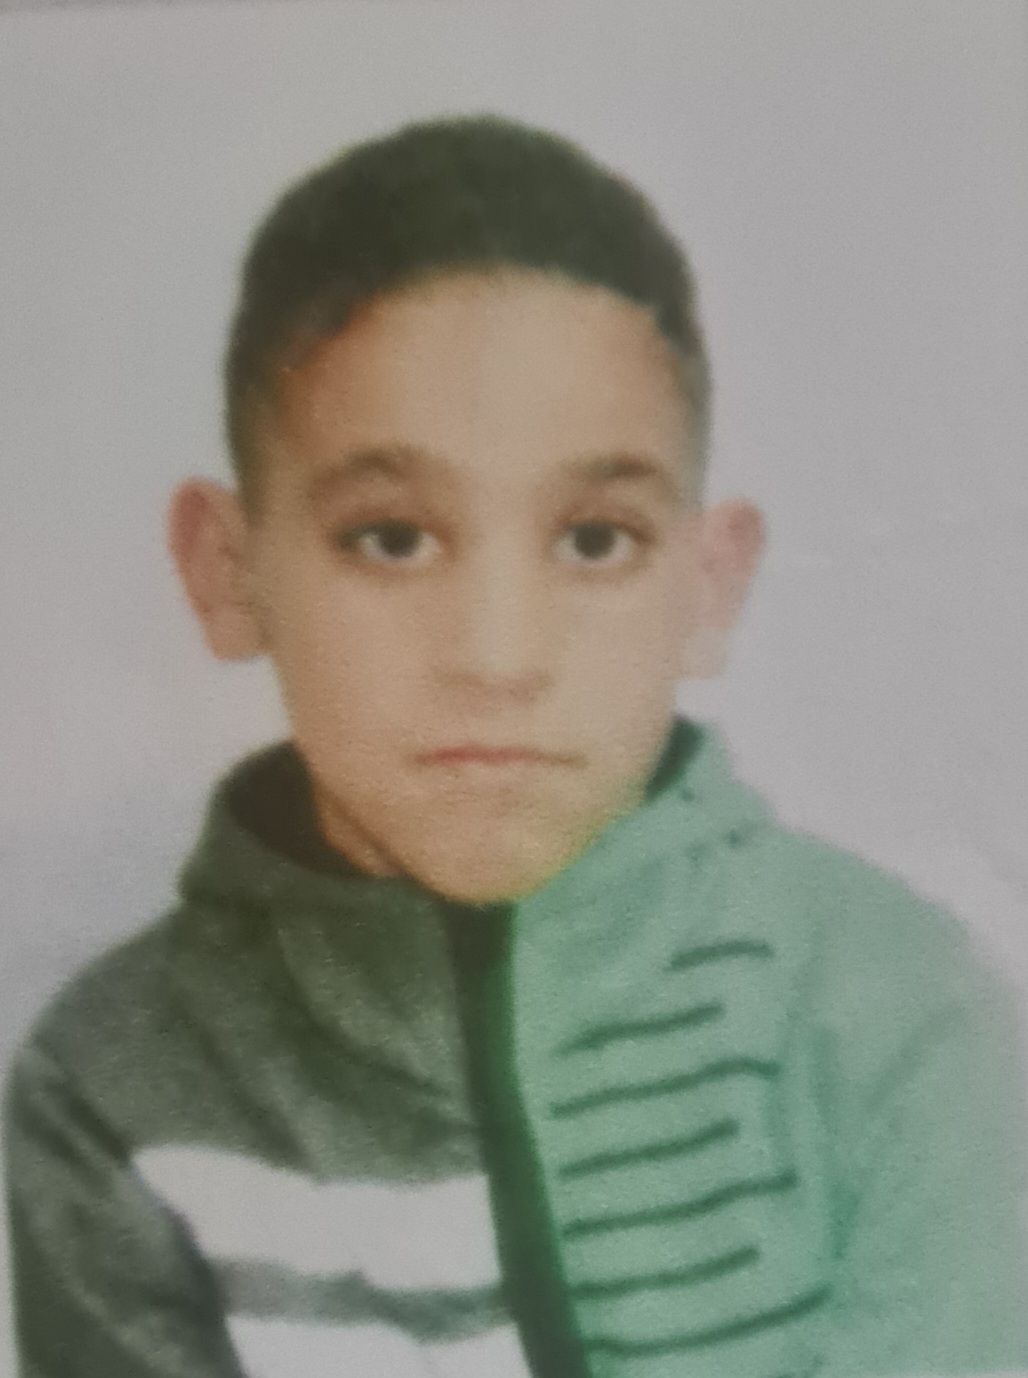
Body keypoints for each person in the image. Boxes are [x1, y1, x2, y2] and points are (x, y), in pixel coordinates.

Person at [4, 114, 1026, 1378]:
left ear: (707, 587)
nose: (496, 657)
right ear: (228, 570)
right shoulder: (108, 1089)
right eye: (390, 538)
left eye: (593, 540)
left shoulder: (893, 1011)